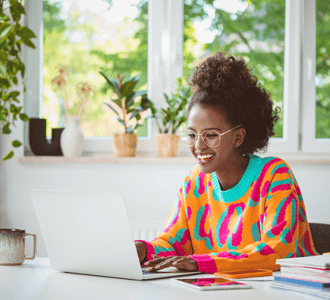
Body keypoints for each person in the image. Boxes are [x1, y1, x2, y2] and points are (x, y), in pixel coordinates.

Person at [135, 52, 318, 273]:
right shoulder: (194, 183)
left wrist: (202, 262)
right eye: (192, 135)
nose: (199, 146)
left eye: (210, 135)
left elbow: (277, 251)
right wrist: (145, 250)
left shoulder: (274, 176)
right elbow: (173, 245)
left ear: (238, 137)